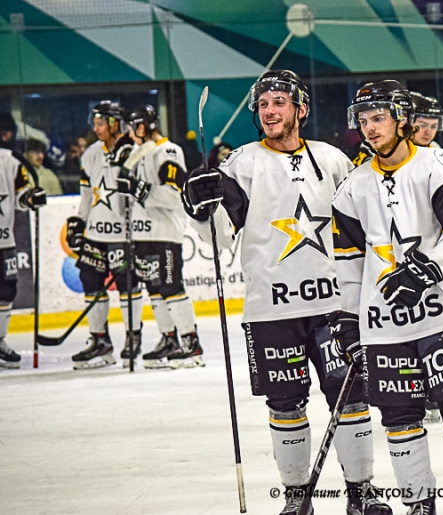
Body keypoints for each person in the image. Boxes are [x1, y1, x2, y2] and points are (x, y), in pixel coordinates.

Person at [182, 70, 391, 515]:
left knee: (350, 400)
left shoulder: (334, 160)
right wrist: (200, 209)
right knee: (285, 406)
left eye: (279, 101)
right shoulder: (241, 163)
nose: (270, 110)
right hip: (271, 311)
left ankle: (361, 492)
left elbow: (364, 227)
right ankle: (298, 498)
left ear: (300, 108)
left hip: (335, 308)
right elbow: (219, 237)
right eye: (262, 104)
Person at [332, 79, 443, 515]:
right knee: (400, 419)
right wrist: (349, 318)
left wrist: (429, 271)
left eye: (378, 118)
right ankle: (419, 505)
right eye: (363, 120)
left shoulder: (442, 166)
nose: (369, 128)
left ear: (402, 118)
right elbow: (349, 264)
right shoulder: (351, 188)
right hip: (383, 326)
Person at [119, 104, 203, 369]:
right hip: (144, 233)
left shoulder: (168, 151)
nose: (129, 134)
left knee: (170, 286)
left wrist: (139, 189)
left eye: (131, 128)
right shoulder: (139, 152)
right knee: (154, 288)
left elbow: (172, 195)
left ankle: (191, 343)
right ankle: (170, 339)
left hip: (165, 232)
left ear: (142, 126)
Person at [67, 101, 141, 370]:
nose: (96, 128)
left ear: (115, 123)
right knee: (90, 283)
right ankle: (100, 341)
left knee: (127, 288)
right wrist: (79, 221)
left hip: (124, 234)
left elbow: (140, 193)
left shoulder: (134, 150)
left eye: (101, 123)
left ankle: (134, 337)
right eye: (95, 123)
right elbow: (87, 195)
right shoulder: (90, 154)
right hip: (96, 235)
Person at [0, 141, 47, 368]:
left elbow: (20, 195)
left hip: (4, 240)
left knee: (6, 290)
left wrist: (30, 198)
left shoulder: (9, 159)